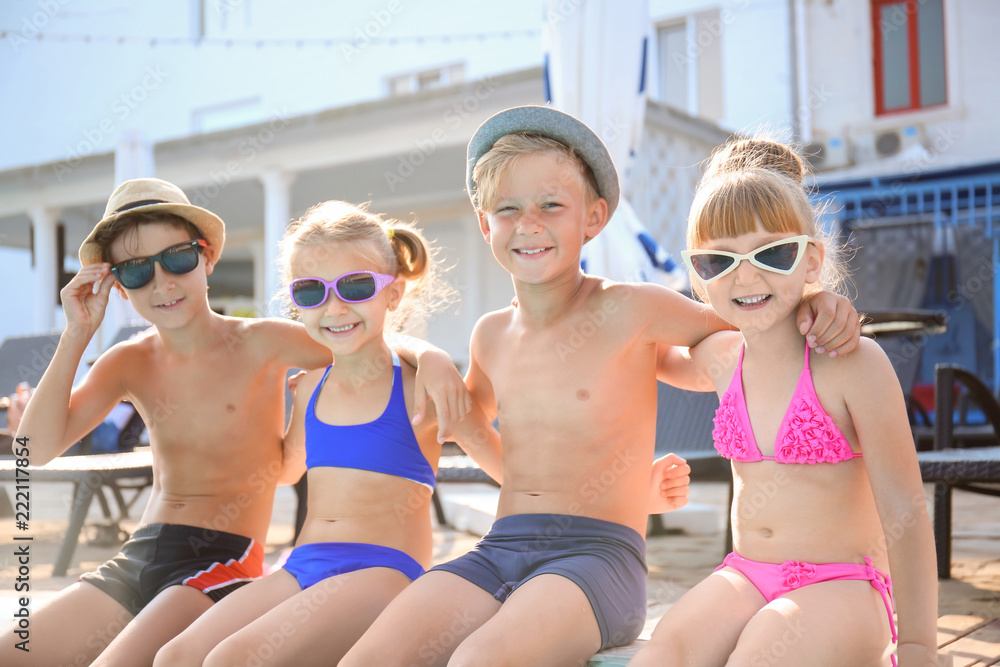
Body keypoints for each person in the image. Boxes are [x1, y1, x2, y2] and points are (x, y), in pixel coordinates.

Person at [341, 106, 862, 666]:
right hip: (501, 547)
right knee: (370, 657)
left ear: (593, 216)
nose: (529, 224)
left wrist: (814, 301)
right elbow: (463, 421)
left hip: (598, 557)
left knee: (479, 661)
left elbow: (752, 319)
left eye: (551, 205)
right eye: (508, 209)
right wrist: (427, 354)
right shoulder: (490, 334)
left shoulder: (631, 309)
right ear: (484, 222)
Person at [0, 179, 467, 667]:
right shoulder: (127, 361)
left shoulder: (263, 341)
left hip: (223, 556)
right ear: (117, 285)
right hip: (143, 551)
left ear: (207, 257)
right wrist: (77, 334)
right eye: (137, 271)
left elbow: (359, 340)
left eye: (177, 259)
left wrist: (429, 354)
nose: (162, 282)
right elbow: (33, 449)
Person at [630, 137, 937, 666]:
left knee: (761, 656)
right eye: (717, 261)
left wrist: (917, 646)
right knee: (663, 655)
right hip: (745, 573)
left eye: (773, 253)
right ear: (696, 273)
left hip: (843, 583)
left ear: (812, 258)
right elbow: (644, 349)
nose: (746, 276)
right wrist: (569, 304)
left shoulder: (852, 363)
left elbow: (906, 511)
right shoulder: (722, 357)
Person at [152, 200, 485, 666]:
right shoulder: (309, 388)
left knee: (231, 660)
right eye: (311, 292)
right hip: (304, 565)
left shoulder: (420, 388)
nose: (334, 307)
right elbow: (289, 469)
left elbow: (500, 460)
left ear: (393, 293)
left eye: (355, 286)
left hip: (383, 570)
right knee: (176, 656)